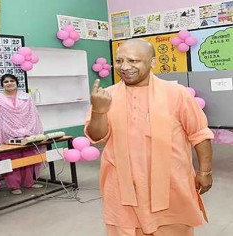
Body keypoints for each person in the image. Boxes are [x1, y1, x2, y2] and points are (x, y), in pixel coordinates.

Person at [85, 39, 214, 236]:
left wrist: (205, 171)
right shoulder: (106, 96)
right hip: (122, 188)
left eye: (133, 60)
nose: (125, 67)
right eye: (119, 61)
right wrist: (99, 111)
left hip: (171, 185)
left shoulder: (176, 93)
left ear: (152, 62)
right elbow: (96, 136)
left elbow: (199, 134)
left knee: (173, 228)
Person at [0, 74, 44, 195]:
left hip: (26, 132)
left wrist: (28, 130)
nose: (9, 83)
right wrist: (9, 131)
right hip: (7, 134)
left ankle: (29, 182)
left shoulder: (26, 97)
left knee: (28, 157)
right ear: (2, 84)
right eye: (6, 81)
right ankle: (14, 186)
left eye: (12, 80)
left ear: (17, 83)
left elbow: (32, 114)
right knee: (11, 159)